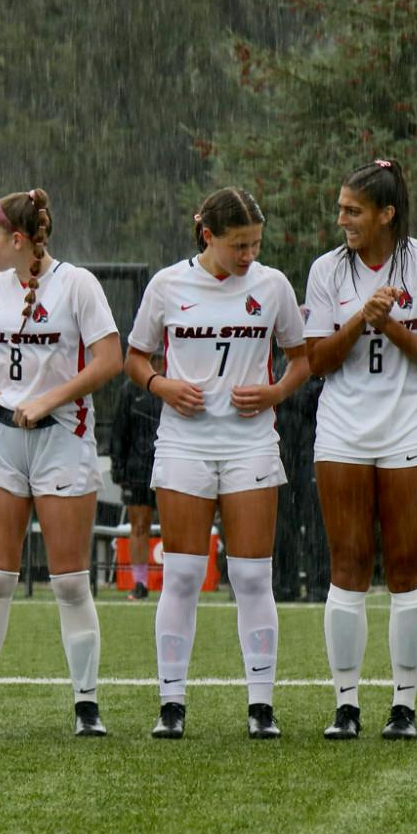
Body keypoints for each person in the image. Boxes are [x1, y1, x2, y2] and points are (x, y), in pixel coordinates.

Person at [124, 187, 310, 741]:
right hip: (184, 444)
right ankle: (172, 703)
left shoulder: (273, 285)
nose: (249, 255)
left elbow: (301, 361)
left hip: (251, 445)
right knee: (180, 575)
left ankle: (261, 706)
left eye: (255, 244)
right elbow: (133, 358)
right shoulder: (167, 285)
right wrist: (162, 385)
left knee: (252, 576)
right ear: (208, 236)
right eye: (238, 246)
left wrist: (274, 393)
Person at [303, 159, 417, 741]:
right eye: (341, 208)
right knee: (346, 565)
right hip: (343, 429)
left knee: (405, 566)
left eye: (353, 210)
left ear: (386, 215)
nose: (341, 218)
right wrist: (359, 320)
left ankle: (403, 705)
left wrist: (389, 325)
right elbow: (316, 361)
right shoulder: (327, 270)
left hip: (409, 428)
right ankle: (346, 705)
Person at [0, 189, 123, 737]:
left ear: (19, 240)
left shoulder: (77, 283)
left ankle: (86, 705)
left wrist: (49, 399)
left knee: (71, 582)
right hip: (1, 441)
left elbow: (109, 360)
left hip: (62, 437)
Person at [109, 381, 162, 600]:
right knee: (139, 526)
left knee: (174, 528)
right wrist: (118, 468)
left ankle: (175, 586)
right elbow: (119, 431)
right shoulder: (130, 390)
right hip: (138, 468)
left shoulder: (176, 379)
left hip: (169, 462)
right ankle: (139, 583)